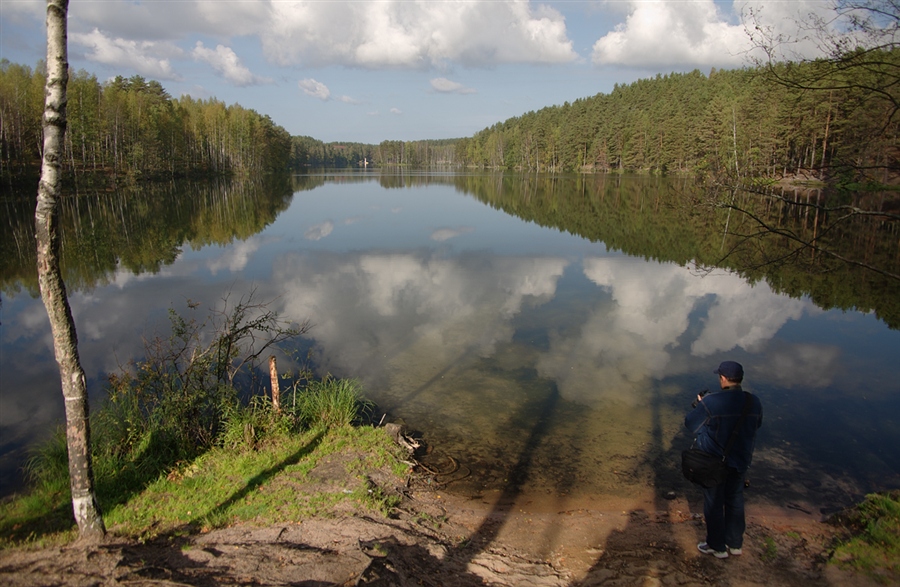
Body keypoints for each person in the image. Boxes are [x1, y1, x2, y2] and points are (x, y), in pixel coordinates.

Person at [684, 360, 763, 559]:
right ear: (740, 379)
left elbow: (691, 424)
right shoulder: (753, 402)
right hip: (741, 460)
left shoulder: (712, 402)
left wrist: (702, 404)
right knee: (735, 500)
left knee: (714, 503)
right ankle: (735, 544)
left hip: (714, 462)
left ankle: (717, 546)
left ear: (723, 379)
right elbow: (756, 425)